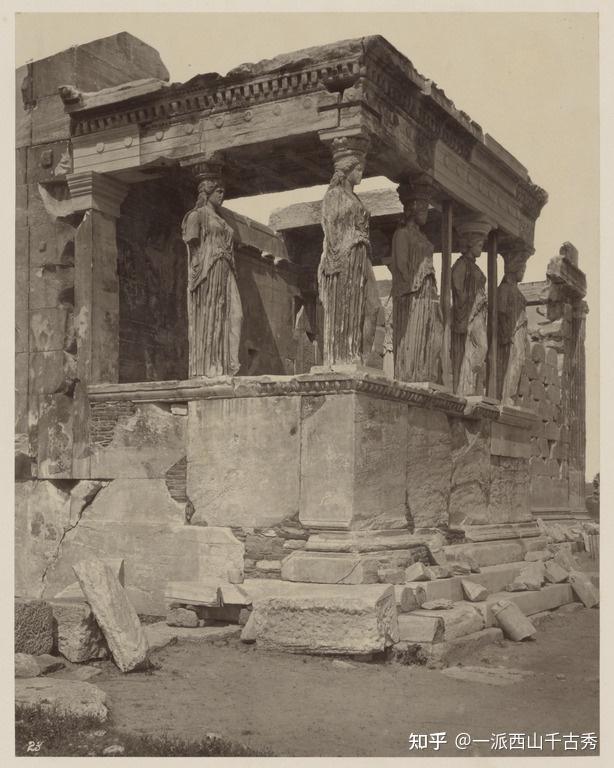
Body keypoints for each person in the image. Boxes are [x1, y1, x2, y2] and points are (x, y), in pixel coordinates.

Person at [318, 137, 379, 366]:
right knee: (348, 307)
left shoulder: (355, 197)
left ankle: (362, 358)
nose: (361, 173)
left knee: (373, 306)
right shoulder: (334, 196)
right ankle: (347, 356)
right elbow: (330, 230)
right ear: (347, 169)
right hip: (345, 259)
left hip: (362, 255)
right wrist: (344, 253)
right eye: (358, 169)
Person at [181, 175, 243, 377]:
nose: (222, 195)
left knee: (235, 315)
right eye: (219, 191)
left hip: (226, 269)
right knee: (212, 315)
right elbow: (192, 248)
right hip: (210, 270)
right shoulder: (197, 216)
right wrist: (199, 273)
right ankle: (209, 367)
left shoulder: (221, 219)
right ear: (207, 193)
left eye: (223, 191)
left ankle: (228, 363)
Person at [390, 180, 443, 383]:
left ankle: (423, 371)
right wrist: (412, 287)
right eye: (422, 208)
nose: (426, 213)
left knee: (431, 332)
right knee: (415, 331)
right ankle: (411, 374)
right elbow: (401, 266)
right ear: (412, 209)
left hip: (428, 290)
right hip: (413, 292)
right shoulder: (402, 234)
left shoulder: (421, 236)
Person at [451, 218, 492, 395]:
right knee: (480, 346)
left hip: (479, 313)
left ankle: (470, 384)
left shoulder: (473, 267)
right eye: (479, 245)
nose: (481, 248)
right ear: (470, 244)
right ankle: (465, 385)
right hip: (470, 313)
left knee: (479, 348)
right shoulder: (461, 264)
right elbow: (457, 287)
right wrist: (468, 303)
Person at [498, 250, 530, 404]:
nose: (523, 273)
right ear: (514, 269)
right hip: (511, 331)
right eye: (522, 270)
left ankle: (511, 395)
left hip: (519, 330)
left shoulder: (516, 290)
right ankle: (507, 395)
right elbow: (500, 311)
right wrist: (505, 333)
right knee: (514, 360)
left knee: (519, 360)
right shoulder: (504, 288)